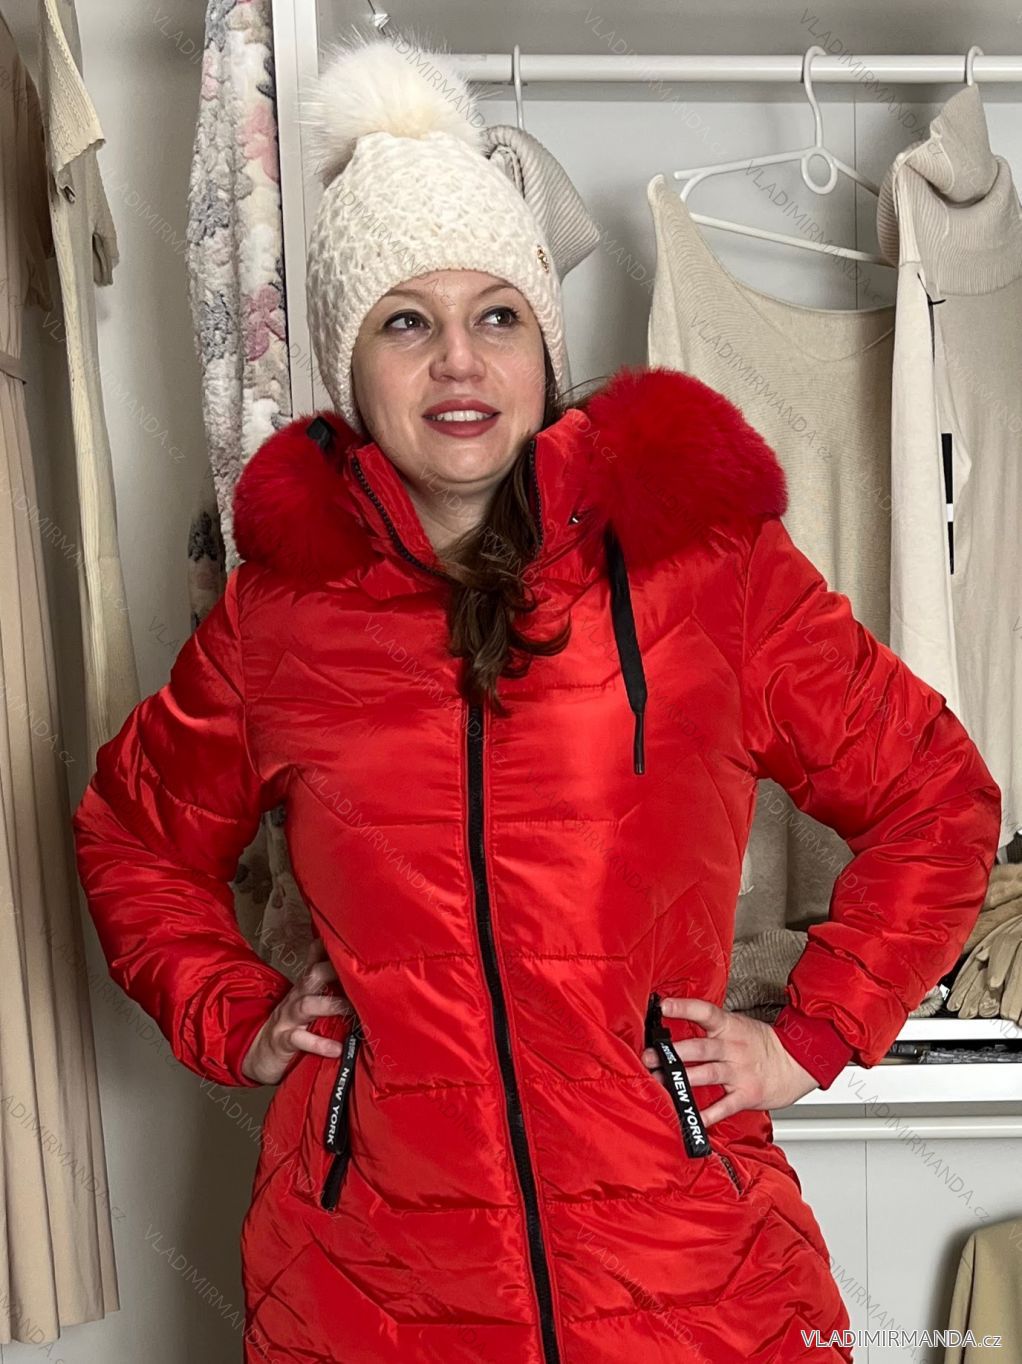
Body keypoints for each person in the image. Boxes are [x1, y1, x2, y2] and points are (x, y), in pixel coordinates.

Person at [71, 34, 1001, 1364]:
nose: (458, 361)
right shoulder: (279, 621)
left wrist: (809, 1037)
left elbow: (937, 799)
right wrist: (236, 1012)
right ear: (349, 366)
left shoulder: (702, 572)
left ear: (543, 348)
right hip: (375, 1290)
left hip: (683, 1278)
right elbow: (133, 838)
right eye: (406, 321)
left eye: (496, 315)